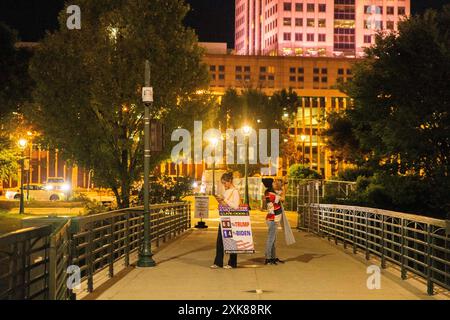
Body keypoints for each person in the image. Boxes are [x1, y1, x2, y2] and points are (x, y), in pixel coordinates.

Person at [210, 172, 241, 269]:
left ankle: (232, 263)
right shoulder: (226, 191)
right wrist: (220, 201)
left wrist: (225, 200)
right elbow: (225, 205)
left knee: (231, 241)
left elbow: (235, 206)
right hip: (224, 218)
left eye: (225, 183)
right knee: (220, 241)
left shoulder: (235, 191)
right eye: (223, 183)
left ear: (230, 181)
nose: (224, 185)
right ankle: (218, 262)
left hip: (232, 219)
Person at [262, 178, 285, 265]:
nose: (274, 183)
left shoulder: (269, 193)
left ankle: (272, 257)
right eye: (273, 182)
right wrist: (283, 188)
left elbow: (280, 193)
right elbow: (282, 198)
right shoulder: (271, 194)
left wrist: (282, 186)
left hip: (273, 218)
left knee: (273, 239)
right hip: (272, 219)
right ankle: (268, 258)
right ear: (270, 184)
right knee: (271, 239)